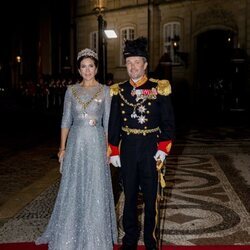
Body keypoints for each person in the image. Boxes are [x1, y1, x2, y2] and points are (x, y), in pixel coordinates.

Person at [36, 48, 117, 250]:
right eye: (83, 66)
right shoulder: (71, 91)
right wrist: (62, 148)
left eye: (91, 66)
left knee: (95, 187)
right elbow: (65, 121)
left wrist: (109, 148)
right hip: (75, 143)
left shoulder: (106, 91)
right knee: (74, 185)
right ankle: (70, 231)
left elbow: (108, 123)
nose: (87, 70)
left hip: (97, 143)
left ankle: (94, 235)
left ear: (96, 68)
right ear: (79, 70)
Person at [108, 37, 175, 250]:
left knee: (150, 199)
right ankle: (129, 240)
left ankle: (150, 240)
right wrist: (114, 151)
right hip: (127, 150)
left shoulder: (159, 88)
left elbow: (168, 122)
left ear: (145, 64)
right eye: (129, 63)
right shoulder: (118, 90)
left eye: (137, 62)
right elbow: (114, 124)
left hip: (150, 150)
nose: (133, 67)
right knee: (128, 199)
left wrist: (163, 149)